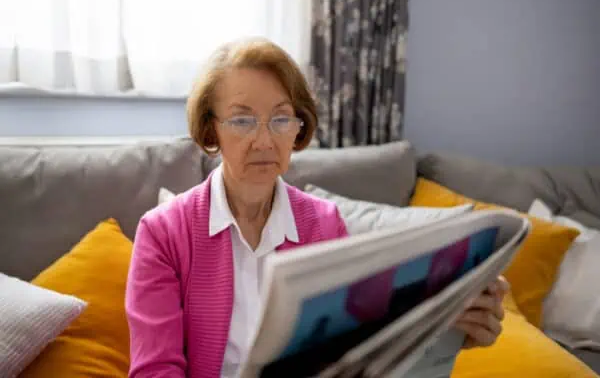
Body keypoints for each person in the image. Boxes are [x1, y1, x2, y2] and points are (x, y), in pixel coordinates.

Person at [125, 37, 509, 378]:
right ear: (212, 130)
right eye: (242, 120)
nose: (264, 141)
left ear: (298, 127)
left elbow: (355, 353)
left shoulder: (326, 224)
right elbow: (155, 370)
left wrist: (448, 331)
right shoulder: (162, 232)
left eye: (280, 119)